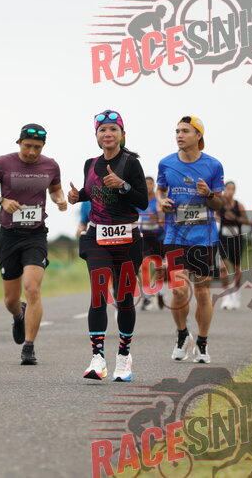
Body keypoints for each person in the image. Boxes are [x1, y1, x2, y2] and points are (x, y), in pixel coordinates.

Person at [68, 109, 148, 382]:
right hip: (97, 238)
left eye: (113, 129)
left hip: (127, 240)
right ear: (96, 136)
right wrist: (77, 196)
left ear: (122, 134)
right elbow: (91, 192)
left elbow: (143, 201)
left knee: (123, 299)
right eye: (103, 130)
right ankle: (97, 358)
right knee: (99, 293)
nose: (108, 134)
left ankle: (124, 356)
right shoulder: (90, 164)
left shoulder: (131, 163)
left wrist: (123, 185)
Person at [0, 124, 66, 365]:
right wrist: (1, 201)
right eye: (27, 146)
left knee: (33, 288)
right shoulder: (3, 163)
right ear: (19, 143)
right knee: (10, 300)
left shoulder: (50, 165)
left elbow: (56, 190)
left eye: (37, 147)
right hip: (9, 235)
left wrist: (59, 200)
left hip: (35, 235)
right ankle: (19, 315)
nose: (32, 152)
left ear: (43, 146)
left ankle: (29, 347)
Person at [156, 116, 225, 364]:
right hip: (175, 235)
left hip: (203, 238)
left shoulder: (213, 165)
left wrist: (209, 194)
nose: (179, 135)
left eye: (185, 131)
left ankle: (202, 342)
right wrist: (161, 201)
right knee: (178, 290)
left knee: (203, 293)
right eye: (177, 131)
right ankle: (182, 334)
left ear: (198, 135)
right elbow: (160, 189)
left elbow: (220, 204)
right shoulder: (166, 163)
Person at [217, 181, 249, 310]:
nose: (229, 191)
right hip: (223, 239)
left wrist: (235, 217)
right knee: (223, 268)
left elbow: (246, 221)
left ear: (235, 191)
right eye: (227, 189)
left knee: (236, 268)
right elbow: (214, 218)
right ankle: (226, 296)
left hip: (236, 239)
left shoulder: (238, 205)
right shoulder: (219, 204)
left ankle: (236, 293)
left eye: (232, 189)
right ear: (224, 190)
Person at [137, 176, 166, 310]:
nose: (148, 186)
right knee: (144, 266)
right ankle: (147, 296)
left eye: (150, 183)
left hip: (159, 237)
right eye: (146, 183)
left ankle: (160, 293)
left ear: (153, 185)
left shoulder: (158, 201)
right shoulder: (139, 201)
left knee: (159, 268)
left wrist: (158, 216)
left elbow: (164, 220)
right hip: (145, 237)